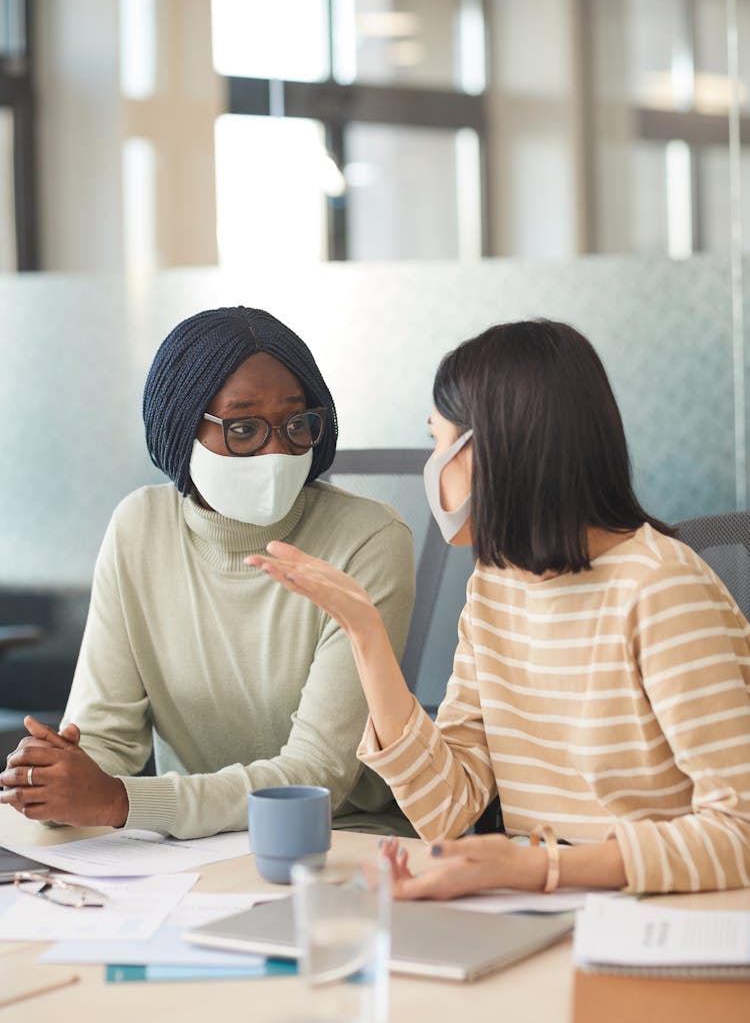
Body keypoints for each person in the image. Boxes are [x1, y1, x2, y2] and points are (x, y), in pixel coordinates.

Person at [247, 319, 750, 897]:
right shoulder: (495, 588)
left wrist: (541, 870)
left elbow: (738, 832)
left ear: (492, 450)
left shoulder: (663, 590)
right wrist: (366, 635)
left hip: (667, 916)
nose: (431, 465)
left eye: (440, 442)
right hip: (545, 910)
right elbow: (449, 810)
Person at [0, 306, 415, 838]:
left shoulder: (369, 540)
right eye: (243, 428)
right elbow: (107, 739)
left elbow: (320, 773)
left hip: (344, 837)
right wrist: (57, 780)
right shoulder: (139, 527)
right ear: (181, 426)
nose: (277, 451)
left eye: (296, 424)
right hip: (186, 851)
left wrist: (120, 803)